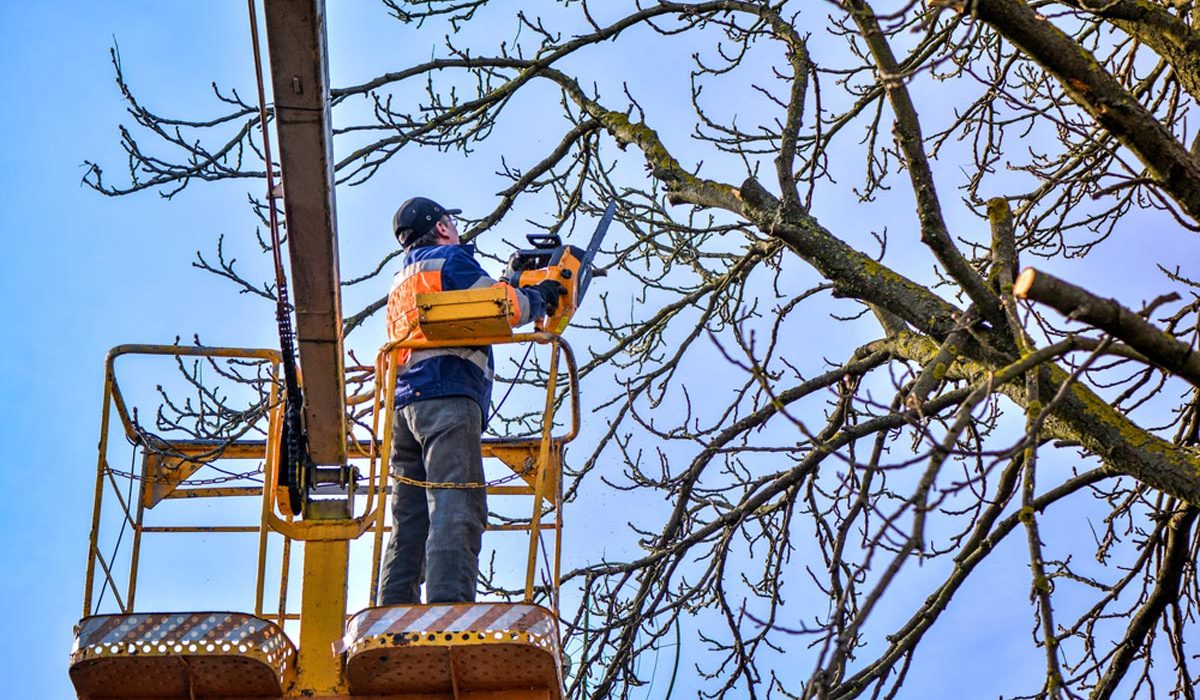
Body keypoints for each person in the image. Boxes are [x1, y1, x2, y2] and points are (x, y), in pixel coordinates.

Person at [378, 196, 565, 606]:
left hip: (405, 405)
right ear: (443, 226)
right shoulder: (449, 261)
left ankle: (392, 610)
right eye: (452, 222)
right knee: (456, 501)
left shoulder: (403, 279)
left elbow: (472, 308)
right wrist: (542, 296)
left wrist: (509, 281)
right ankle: (448, 609)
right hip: (447, 397)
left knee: (409, 519)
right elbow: (503, 307)